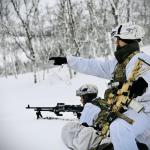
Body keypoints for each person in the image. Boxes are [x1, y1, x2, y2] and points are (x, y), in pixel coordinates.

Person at [50, 22, 150, 150]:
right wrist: (68, 60)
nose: (116, 43)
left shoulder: (140, 59)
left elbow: (146, 73)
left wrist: (143, 82)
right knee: (93, 111)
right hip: (125, 110)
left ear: (126, 39)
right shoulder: (117, 64)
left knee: (120, 128)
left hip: (144, 111)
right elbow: (93, 66)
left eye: (118, 40)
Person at [61, 84, 102, 150]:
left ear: (86, 97)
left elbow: (84, 131)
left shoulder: (89, 107)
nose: (80, 100)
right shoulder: (100, 103)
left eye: (81, 97)